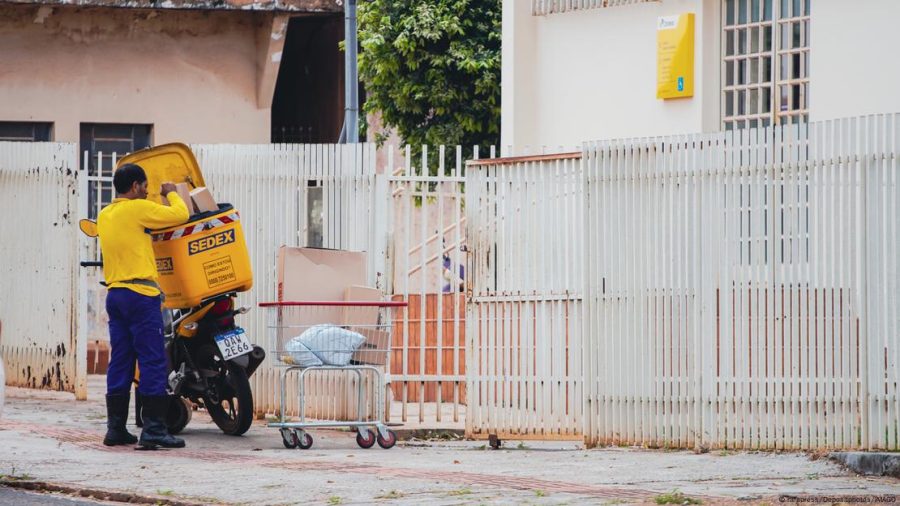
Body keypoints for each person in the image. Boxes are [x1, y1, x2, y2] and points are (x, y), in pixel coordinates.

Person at [97, 163, 190, 449]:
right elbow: (180, 214)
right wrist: (172, 193)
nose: (148, 190)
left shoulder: (105, 214)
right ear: (136, 186)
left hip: (116, 295)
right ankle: (153, 430)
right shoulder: (136, 209)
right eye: (145, 186)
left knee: (121, 360)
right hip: (141, 295)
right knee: (152, 360)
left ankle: (115, 429)